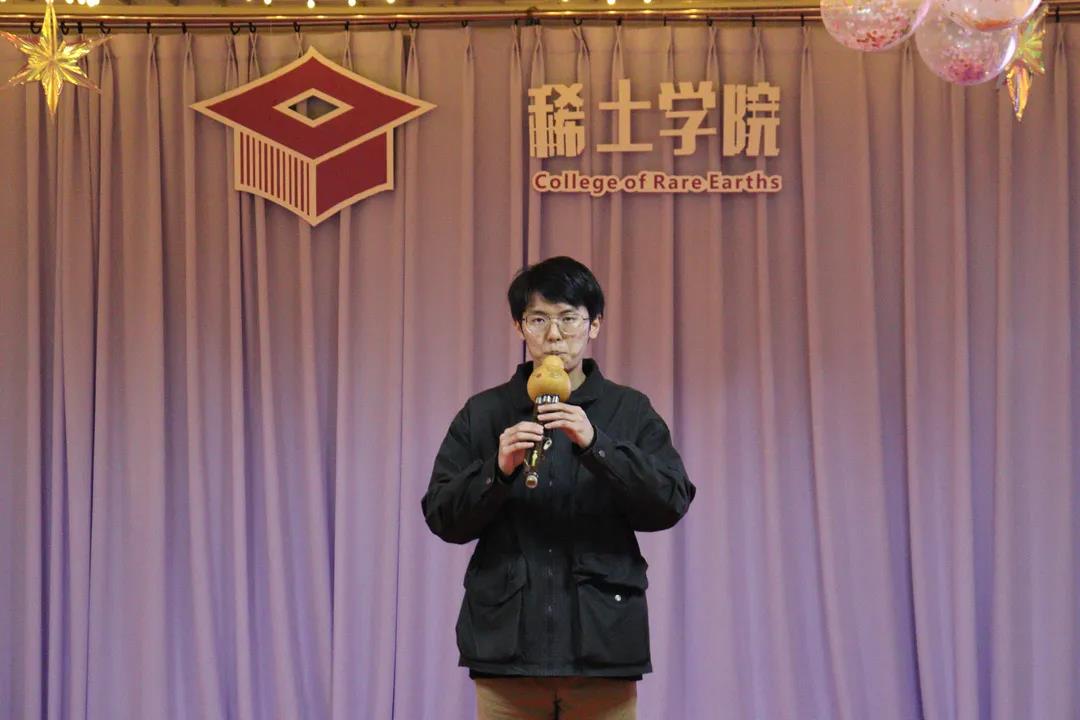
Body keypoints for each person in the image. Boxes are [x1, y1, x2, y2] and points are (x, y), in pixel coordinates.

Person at [421, 256, 696, 720]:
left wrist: (598, 446)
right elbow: (442, 516)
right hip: (507, 652)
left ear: (594, 326)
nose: (554, 335)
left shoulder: (628, 409)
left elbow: (670, 501)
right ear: (519, 327)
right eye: (538, 320)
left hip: (603, 646)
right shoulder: (485, 412)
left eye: (569, 319)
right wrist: (497, 471)